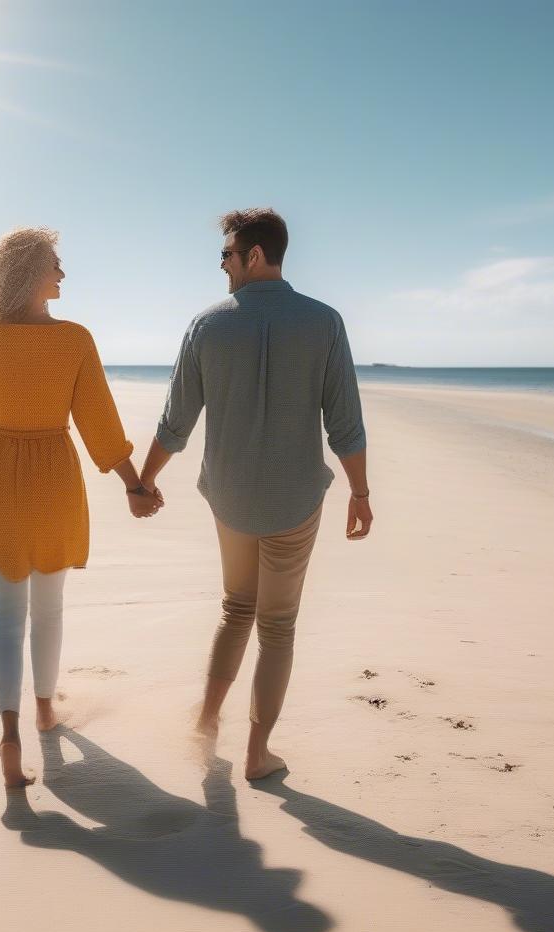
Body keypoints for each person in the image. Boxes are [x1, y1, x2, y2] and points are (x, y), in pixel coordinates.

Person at [139, 208, 371, 780]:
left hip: (231, 498)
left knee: (236, 608)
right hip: (296, 498)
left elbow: (176, 422)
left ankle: (208, 722)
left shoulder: (207, 325)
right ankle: (256, 753)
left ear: (255, 255)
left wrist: (145, 481)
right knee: (278, 624)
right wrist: (360, 492)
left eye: (226, 255)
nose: (222, 266)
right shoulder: (324, 322)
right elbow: (345, 421)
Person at [0, 227, 162, 789]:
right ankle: (44, 709)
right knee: (50, 609)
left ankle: (10, 734)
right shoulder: (74, 340)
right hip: (54, 481)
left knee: (6, 618)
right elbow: (100, 425)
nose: (62, 275)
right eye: (54, 265)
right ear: (28, 272)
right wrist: (134, 485)